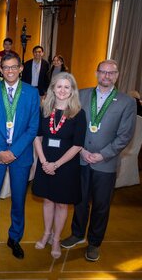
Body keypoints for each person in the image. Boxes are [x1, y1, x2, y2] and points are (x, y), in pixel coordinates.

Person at [61, 60, 136, 262]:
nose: (107, 76)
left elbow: (125, 135)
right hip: (81, 158)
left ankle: (94, 243)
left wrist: (103, 154)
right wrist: (82, 151)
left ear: (117, 75)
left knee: (101, 205)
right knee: (80, 200)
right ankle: (77, 234)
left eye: (111, 73)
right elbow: (71, 124)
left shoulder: (126, 102)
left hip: (106, 162)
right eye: (103, 72)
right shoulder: (82, 95)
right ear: (96, 73)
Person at [0, 53, 40, 259]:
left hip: (20, 155)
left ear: (21, 68)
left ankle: (15, 237)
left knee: (18, 199)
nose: (10, 71)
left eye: (13, 67)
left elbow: (33, 128)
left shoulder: (32, 93)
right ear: (0, 69)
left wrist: (13, 152)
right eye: (5, 67)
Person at [32, 72, 87, 259]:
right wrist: (44, 161)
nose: (62, 90)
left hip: (66, 165)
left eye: (67, 87)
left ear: (72, 91)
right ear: (53, 89)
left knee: (62, 204)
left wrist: (56, 164)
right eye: (59, 86)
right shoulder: (44, 110)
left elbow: (78, 145)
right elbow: (37, 137)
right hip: (45, 161)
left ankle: (56, 238)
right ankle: (46, 233)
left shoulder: (79, 114)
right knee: (47, 200)